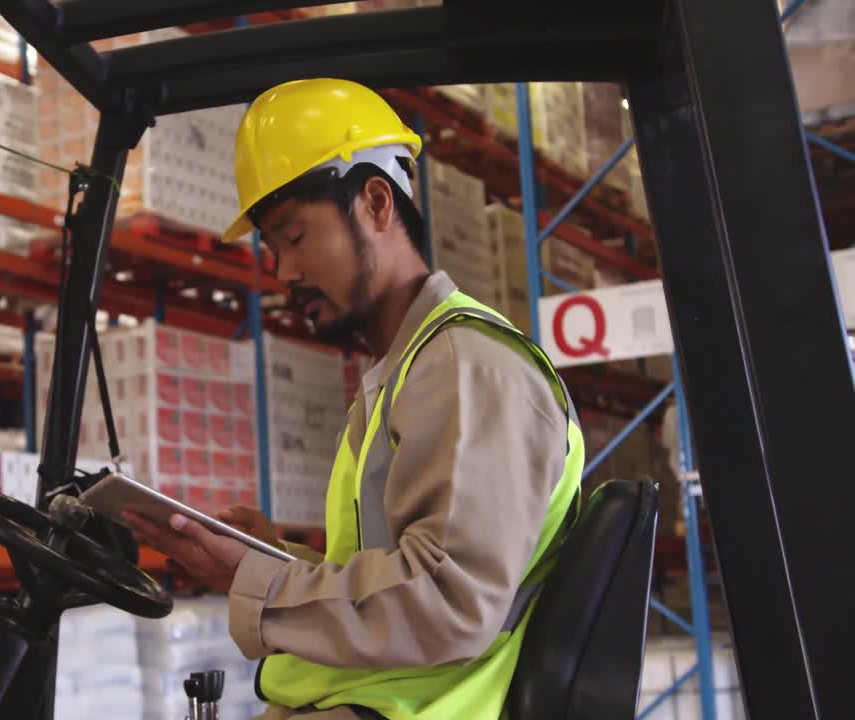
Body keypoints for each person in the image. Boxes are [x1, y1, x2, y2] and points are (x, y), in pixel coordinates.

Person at [125, 79, 584, 720]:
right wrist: (270, 561)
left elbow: (449, 602)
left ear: (374, 202)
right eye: (270, 248)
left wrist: (258, 583)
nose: (282, 272)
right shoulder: (408, 371)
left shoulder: (466, 368)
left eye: (294, 236)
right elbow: (394, 575)